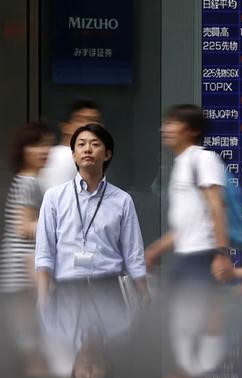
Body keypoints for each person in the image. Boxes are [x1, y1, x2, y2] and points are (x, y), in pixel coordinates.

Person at [35, 123, 149, 304]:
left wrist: (144, 294)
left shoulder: (122, 200)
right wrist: (42, 300)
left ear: (107, 154)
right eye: (81, 144)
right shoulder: (54, 198)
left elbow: (133, 253)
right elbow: (44, 253)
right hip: (67, 291)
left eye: (95, 144)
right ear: (73, 154)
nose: (87, 149)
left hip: (109, 289)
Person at [144, 104, 234, 284]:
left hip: (202, 255)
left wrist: (221, 253)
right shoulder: (181, 164)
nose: (164, 129)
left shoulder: (202, 159)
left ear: (192, 130)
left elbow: (217, 206)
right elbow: (186, 226)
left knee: (195, 310)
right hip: (186, 256)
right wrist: (155, 250)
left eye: (171, 123)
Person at [0, 122, 55, 294]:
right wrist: (60, 222)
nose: (44, 151)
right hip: (23, 270)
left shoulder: (28, 181)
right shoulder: (28, 183)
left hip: (22, 269)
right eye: (37, 145)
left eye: (47, 144)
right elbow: (24, 228)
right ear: (23, 150)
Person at [38, 99, 102, 192]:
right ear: (65, 126)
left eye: (95, 120)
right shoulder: (66, 157)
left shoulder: (58, 154)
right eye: (81, 120)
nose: (89, 125)